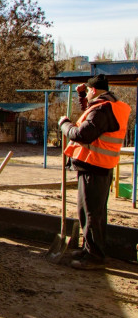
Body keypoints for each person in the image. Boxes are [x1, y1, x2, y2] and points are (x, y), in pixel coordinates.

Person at [58, 74, 130, 270]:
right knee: (91, 212)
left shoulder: (102, 110)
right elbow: (89, 114)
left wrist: (64, 124)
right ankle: (89, 249)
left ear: (94, 91)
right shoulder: (108, 107)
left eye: (88, 91)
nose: (87, 95)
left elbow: (83, 134)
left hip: (94, 167)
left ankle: (94, 256)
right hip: (99, 167)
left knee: (91, 213)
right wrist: (81, 95)